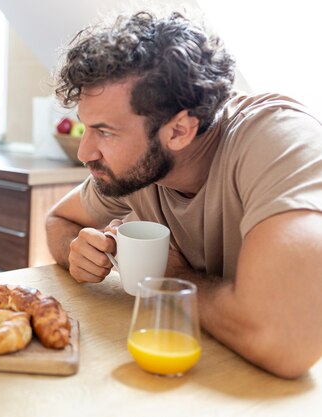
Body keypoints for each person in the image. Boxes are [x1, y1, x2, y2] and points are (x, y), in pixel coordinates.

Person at [46, 11, 322, 379]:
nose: (84, 153)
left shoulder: (278, 140)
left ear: (178, 131)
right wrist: (78, 251)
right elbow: (58, 221)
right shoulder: (142, 167)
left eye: (105, 132)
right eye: (86, 127)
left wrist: (174, 279)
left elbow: (284, 342)